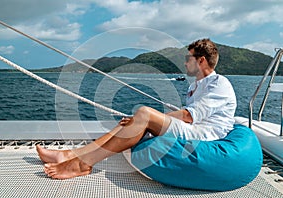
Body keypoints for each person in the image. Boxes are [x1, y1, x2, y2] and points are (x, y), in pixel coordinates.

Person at [36, 38, 236, 179]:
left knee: (143, 114)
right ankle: (71, 155)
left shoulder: (219, 83)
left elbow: (189, 116)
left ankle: (82, 164)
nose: (184, 62)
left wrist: (149, 118)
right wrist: (143, 121)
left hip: (205, 135)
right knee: (132, 121)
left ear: (201, 60)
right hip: (194, 128)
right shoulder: (194, 86)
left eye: (188, 58)